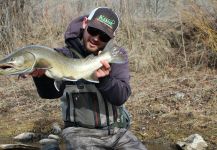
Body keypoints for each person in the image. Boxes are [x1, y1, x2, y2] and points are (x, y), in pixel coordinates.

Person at [31, 7, 147, 150]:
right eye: (93, 30)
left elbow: (121, 96)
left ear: (112, 38)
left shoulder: (114, 55)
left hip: (118, 133)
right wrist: (42, 77)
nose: (96, 38)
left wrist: (105, 80)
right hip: (79, 134)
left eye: (104, 36)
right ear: (85, 23)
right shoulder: (63, 55)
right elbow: (50, 94)